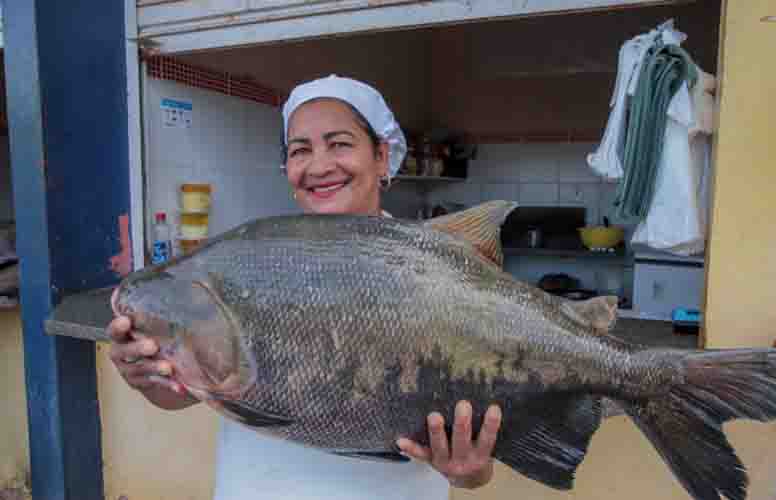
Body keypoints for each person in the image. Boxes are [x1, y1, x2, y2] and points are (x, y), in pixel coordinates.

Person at [107, 74, 502, 499]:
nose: (318, 165)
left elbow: (476, 472)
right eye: (300, 150)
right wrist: (147, 376)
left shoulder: (436, 272)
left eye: (340, 144)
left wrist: (469, 471)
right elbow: (187, 393)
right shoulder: (251, 261)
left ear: (382, 156)